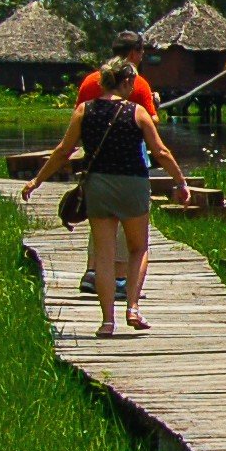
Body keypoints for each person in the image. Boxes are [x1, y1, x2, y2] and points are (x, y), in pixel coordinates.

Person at [22, 56, 191, 336]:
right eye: (132, 83)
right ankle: (133, 308)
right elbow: (161, 152)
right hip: (133, 184)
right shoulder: (137, 112)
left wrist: (37, 180)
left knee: (104, 253)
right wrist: (181, 182)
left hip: (98, 185)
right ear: (125, 82)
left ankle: (107, 321)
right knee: (138, 248)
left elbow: (63, 151)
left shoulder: (84, 111)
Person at [73, 30, 157, 297]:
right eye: (141, 52)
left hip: (96, 163)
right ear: (133, 53)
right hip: (128, 165)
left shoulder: (89, 81)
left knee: (100, 221)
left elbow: (80, 116)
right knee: (124, 224)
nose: (142, 57)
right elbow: (150, 123)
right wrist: (154, 105)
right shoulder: (139, 84)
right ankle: (121, 278)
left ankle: (93, 270)